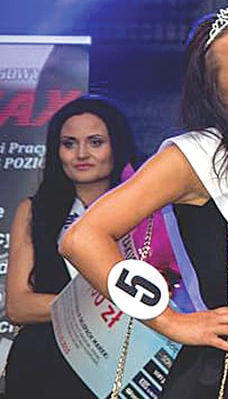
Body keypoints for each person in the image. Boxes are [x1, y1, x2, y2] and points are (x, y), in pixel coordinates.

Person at [59, 8, 228, 398]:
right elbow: (81, 238)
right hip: (227, 375)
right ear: (214, 90)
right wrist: (171, 322)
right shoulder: (193, 157)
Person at [5, 95, 137, 398]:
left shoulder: (147, 213)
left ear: (117, 146)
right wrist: (119, 305)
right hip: (43, 363)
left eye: (95, 142)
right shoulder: (34, 210)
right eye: (69, 144)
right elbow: (18, 306)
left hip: (121, 360)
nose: (81, 154)